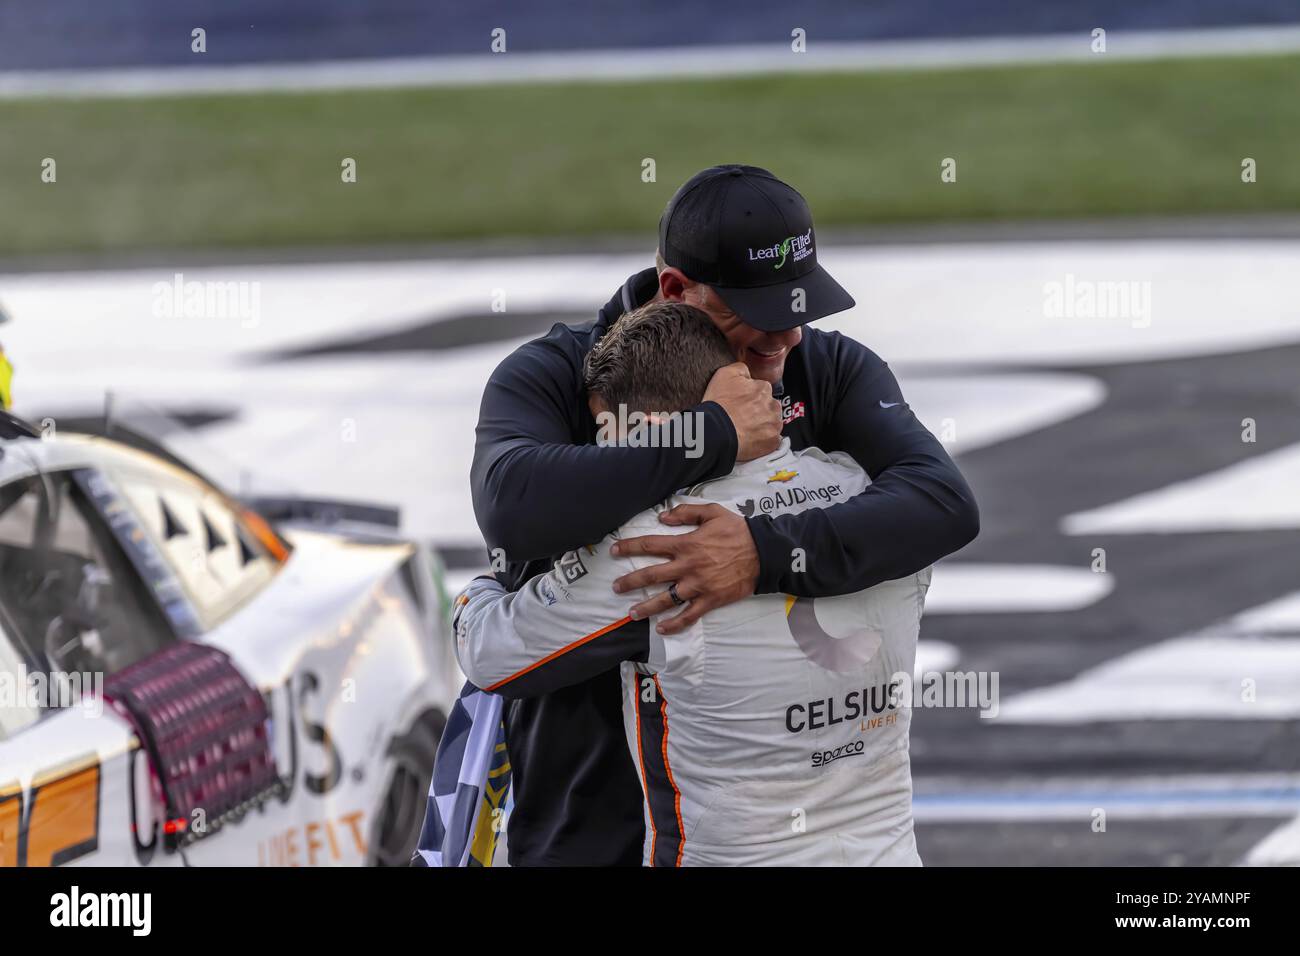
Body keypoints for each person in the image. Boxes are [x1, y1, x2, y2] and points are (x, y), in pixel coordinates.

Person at [471, 163, 978, 866]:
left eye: (800, 308)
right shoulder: (554, 373)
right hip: (586, 805)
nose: (787, 341)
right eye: (762, 315)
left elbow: (942, 506)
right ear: (677, 290)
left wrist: (759, 552)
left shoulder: (827, 366)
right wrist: (713, 436)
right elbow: (512, 509)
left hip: (766, 798)